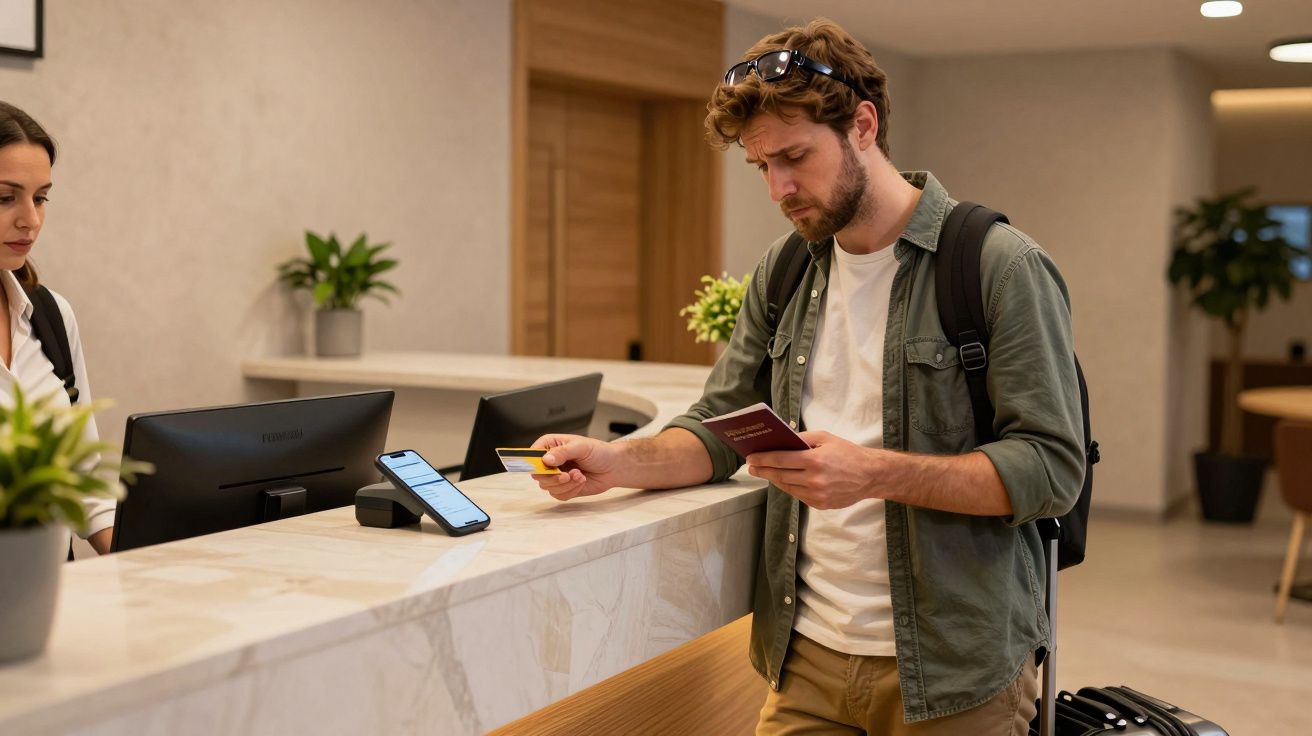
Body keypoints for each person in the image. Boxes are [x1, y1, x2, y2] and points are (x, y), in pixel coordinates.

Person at [530, 18, 1084, 735]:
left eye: (794, 156)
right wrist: (619, 461)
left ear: (862, 124)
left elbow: (1051, 469)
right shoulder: (788, 269)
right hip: (807, 663)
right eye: (761, 166)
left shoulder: (998, 266)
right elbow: (720, 423)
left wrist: (875, 473)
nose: (778, 189)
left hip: (956, 675)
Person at [0, 101, 114, 555]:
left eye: (40, 197)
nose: (31, 219)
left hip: (51, 598)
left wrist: (152, 569)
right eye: (4, 198)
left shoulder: (51, 316)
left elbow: (84, 480)